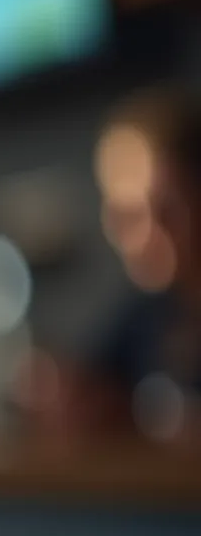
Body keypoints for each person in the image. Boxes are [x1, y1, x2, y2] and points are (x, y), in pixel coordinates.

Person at [64, 86, 201, 437]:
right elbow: (84, 384)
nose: (143, 235)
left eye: (166, 211)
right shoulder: (144, 315)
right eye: (125, 214)